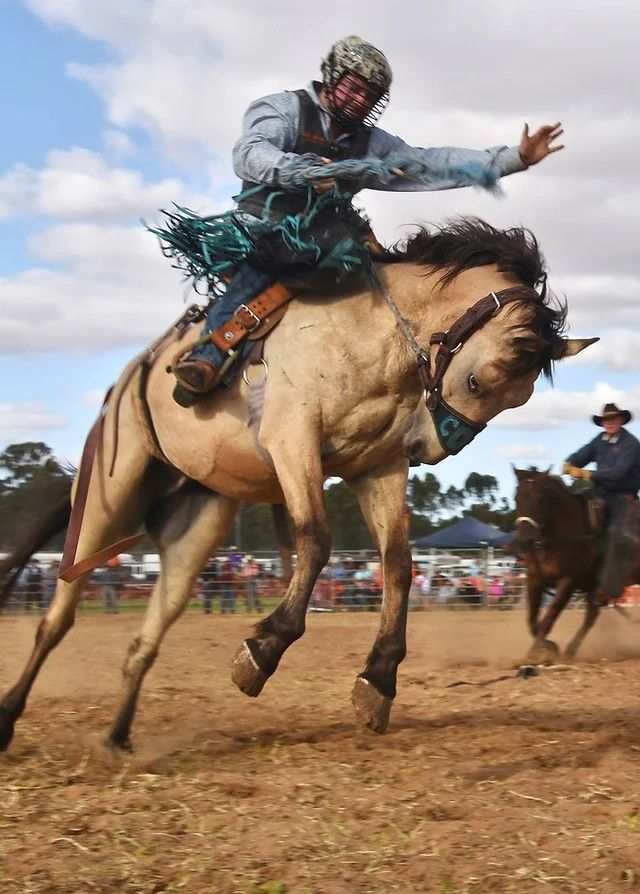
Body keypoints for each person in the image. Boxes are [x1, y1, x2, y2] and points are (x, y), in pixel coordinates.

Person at [172, 34, 564, 402]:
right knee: (265, 266)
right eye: (354, 88)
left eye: (371, 95)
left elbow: (429, 163)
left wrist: (515, 158)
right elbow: (250, 154)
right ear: (331, 76)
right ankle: (208, 353)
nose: (360, 100)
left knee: (377, 273)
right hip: (264, 226)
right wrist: (307, 171)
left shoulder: (373, 143)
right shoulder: (283, 109)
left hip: (328, 237)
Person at [563, 402, 640, 604]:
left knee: (618, 534)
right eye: (607, 419)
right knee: (573, 510)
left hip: (624, 497)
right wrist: (570, 462)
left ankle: (610, 587)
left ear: (621, 420)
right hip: (600, 493)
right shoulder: (600, 440)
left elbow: (618, 474)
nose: (610, 422)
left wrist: (587, 473)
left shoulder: (631, 444)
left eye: (613, 419)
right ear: (603, 423)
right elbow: (584, 453)